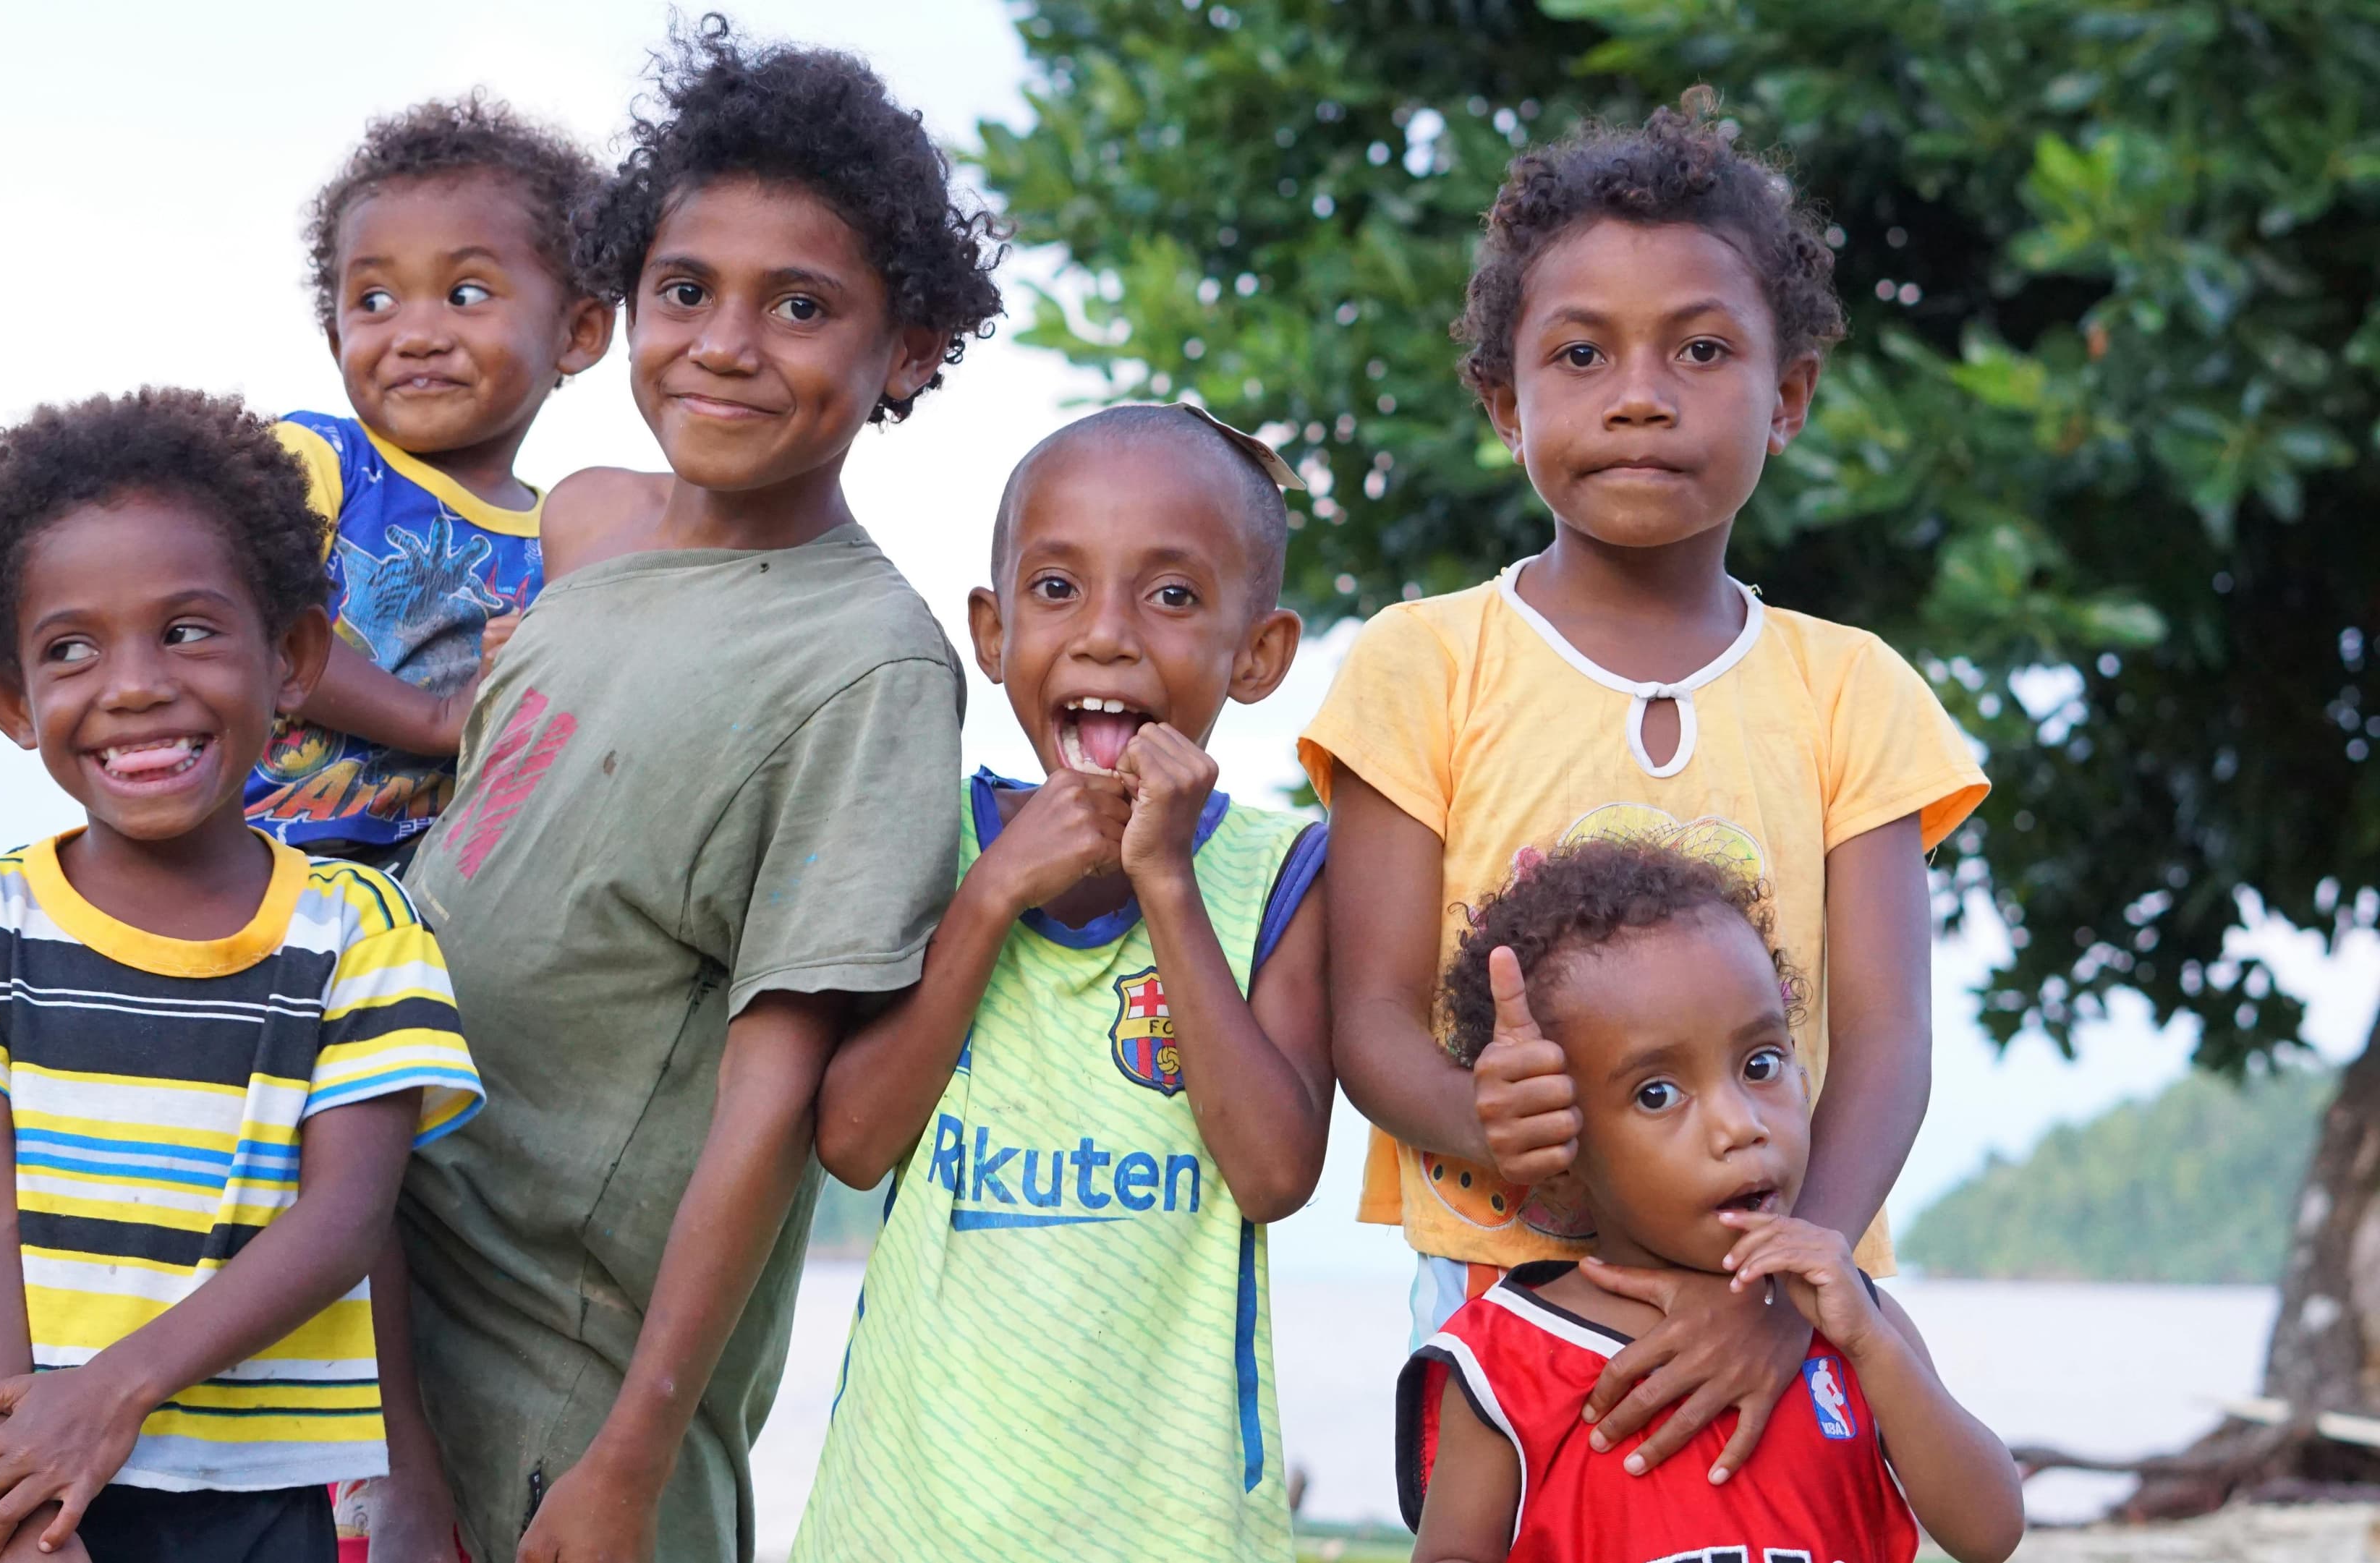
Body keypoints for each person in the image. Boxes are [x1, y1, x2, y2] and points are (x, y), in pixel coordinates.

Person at [376, 20, 1006, 1563]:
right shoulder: (585, 550)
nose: (725, 343)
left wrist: (632, 1455)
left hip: (566, 1398)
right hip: (381, 1316)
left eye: (801, 306)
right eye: (685, 291)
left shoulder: (867, 666)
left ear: (908, 347)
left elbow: (775, 1098)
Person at [1300, 92, 1989, 1485]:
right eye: (1579, 352)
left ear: (1786, 399)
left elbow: (1887, 1040)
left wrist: (1793, 1294)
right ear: (1505, 404)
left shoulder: (1853, 692)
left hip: (1777, 1309)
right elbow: (1364, 1017)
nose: (1638, 392)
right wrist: (1487, 1125)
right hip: (1509, 1294)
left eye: (1702, 348)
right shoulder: (1422, 666)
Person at [0, 388, 484, 1563]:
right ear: (11, 701)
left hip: (250, 1502)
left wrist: (110, 1395)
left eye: (188, 630)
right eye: (72, 648)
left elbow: (342, 1217)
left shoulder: (362, 932)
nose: (133, 683)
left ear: (291, 658)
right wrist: (27, 1489)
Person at [793, 405, 1334, 1562]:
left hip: (1172, 1527)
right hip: (906, 1516)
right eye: (1055, 590)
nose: (1105, 636)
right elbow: (851, 1139)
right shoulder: (925, 836)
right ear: (990, 632)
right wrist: (990, 895)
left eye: (1173, 597)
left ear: (1260, 654)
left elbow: (1277, 1172)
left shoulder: (1277, 871)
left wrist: (1168, 886)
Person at [1402, 838, 2023, 1562]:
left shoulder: (1851, 1320)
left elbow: (1990, 1533)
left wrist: (1873, 1346)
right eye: (1657, 1093)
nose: (1741, 1125)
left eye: (1761, 1063)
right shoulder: (1509, 1358)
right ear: (1562, 1154)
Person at [247, 93, 616, 878]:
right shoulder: (316, 458)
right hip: (264, 873)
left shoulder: (576, 539)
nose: (415, 334)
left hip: (444, 906)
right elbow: (257, 622)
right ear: (336, 333)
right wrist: (439, 716)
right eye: (374, 300)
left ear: (578, 332)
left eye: (467, 294)